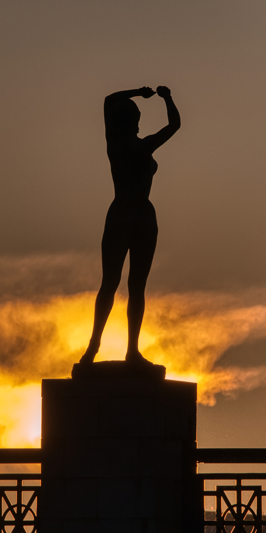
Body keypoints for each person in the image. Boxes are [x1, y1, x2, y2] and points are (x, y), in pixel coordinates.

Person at [79, 85, 180, 366]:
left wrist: (137, 92)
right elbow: (175, 124)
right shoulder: (139, 145)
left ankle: (100, 349)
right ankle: (118, 350)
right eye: (135, 116)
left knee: (115, 283)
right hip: (138, 215)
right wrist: (166, 97)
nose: (138, 121)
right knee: (131, 285)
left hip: (125, 214)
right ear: (132, 121)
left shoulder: (114, 143)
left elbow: (109, 99)